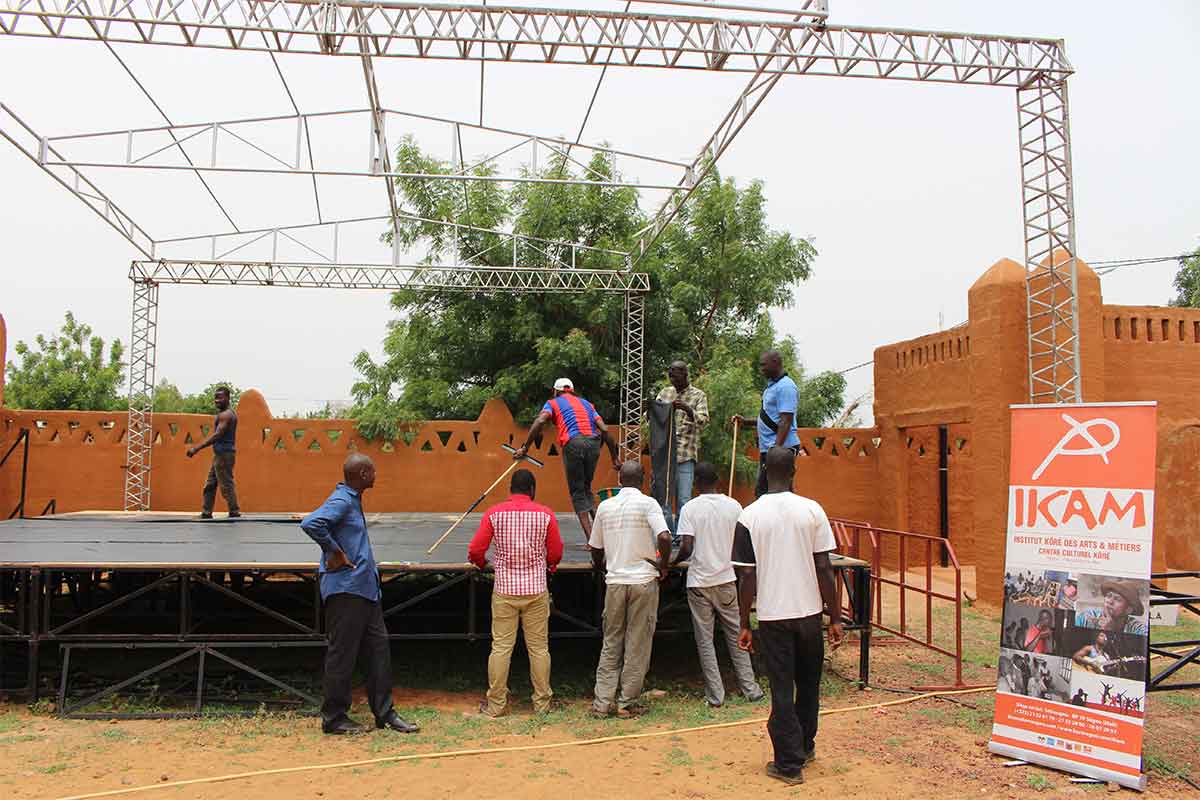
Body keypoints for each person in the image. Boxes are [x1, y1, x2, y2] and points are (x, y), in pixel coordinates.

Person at [733, 446, 844, 786]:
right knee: (809, 684)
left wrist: (743, 622)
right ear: (794, 472)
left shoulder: (749, 516)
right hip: (810, 614)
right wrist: (836, 617)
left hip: (773, 617)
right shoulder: (813, 510)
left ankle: (788, 764)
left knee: (782, 688)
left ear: (764, 472)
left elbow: (746, 576)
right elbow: (825, 567)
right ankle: (805, 747)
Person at [300, 453, 419, 736]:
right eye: (373, 470)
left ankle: (385, 713)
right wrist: (335, 551)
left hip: (365, 590)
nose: (377, 475)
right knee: (342, 654)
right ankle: (334, 718)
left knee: (378, 650)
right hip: (346, 590)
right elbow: (311, 523)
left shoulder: (352, 499)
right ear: (363, 474)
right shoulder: (342, 500)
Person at [468, 468, 563, 717]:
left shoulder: (494, 514)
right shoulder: (545, 514)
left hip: (505, 590)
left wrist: (484, 565)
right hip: (536, 590)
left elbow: (476, 549)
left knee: (500, 647)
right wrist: (549, 567)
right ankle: (542, 703)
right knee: (539, 648)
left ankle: (496, 704)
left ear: (510, 489)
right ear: (532, 490)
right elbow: (555, 551)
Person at [670, 462, 763, 708]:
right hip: (727, 581)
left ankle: (716, 695)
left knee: (705, 640)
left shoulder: (690, 508)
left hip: (700, 583)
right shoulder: (734, 506)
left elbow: (687, 548)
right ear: (717, 481)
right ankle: (750, 688)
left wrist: (670, 563)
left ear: (696, 482)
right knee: (737, 635)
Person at [589, 460, 672, 718]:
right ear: (643, 478)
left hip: (615, 582)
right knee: (637, 642)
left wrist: (601, 565)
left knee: (611, 642)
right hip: (643, 581)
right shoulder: (648, 504)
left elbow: (595, 546)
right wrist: (663, 564)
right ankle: (627, 703)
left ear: (619, 480)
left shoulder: (605, 506)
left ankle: (602, 703)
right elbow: (665, 537)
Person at [514, 378, 619, 544]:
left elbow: (541, 421)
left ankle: (592, 542)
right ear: (572, 390)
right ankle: (603, 537)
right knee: (586, 489)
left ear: (555, 391)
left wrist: (525, 447)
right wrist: (615, 458)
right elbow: (604, 429)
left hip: (574, 443)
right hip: (593, 443)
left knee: (577, 492)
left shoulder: (553, 403)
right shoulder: (587, 404)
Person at [730, 350, 802, 497]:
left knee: (772, 492)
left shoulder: (786, 386)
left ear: (775, 362)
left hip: (781, 449)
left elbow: (786, 420)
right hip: (770, 448)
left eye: (764, 365)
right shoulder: (772, 387)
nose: (761, 369)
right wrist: (746, 422)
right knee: (770, 492)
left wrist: (776, 450)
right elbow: (771, 418)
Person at [654, 361, 710, 531]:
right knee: (663, 499)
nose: (672, 377)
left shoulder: (698, 395)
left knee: (683, 500)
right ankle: (668, 534)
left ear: (685, 374)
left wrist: (687, 409)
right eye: (670, 374)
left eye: (675, 374)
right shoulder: (665, 393)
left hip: (685, 456)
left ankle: (681, 535)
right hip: (665, 457)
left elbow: (704, 421)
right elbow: (653, 417)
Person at [185, 386, 240, 519]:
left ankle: (234, 511)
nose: (216, 401)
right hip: (219, 455)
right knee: (210, 484)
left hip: (224, 455)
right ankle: (206, 512)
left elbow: (217, 435)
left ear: (227, 398)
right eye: (215, 398)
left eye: (220, 398)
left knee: (226, 484)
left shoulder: (226, 415)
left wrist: (196, 448)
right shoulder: (224, 414)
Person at [1074, 579, 1148, 635]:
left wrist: (1111, 631)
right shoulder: (1085, 618)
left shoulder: (1138, 629)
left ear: (1129, 610)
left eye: (1118, 599)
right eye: (1109, 596)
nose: (1110, 601)